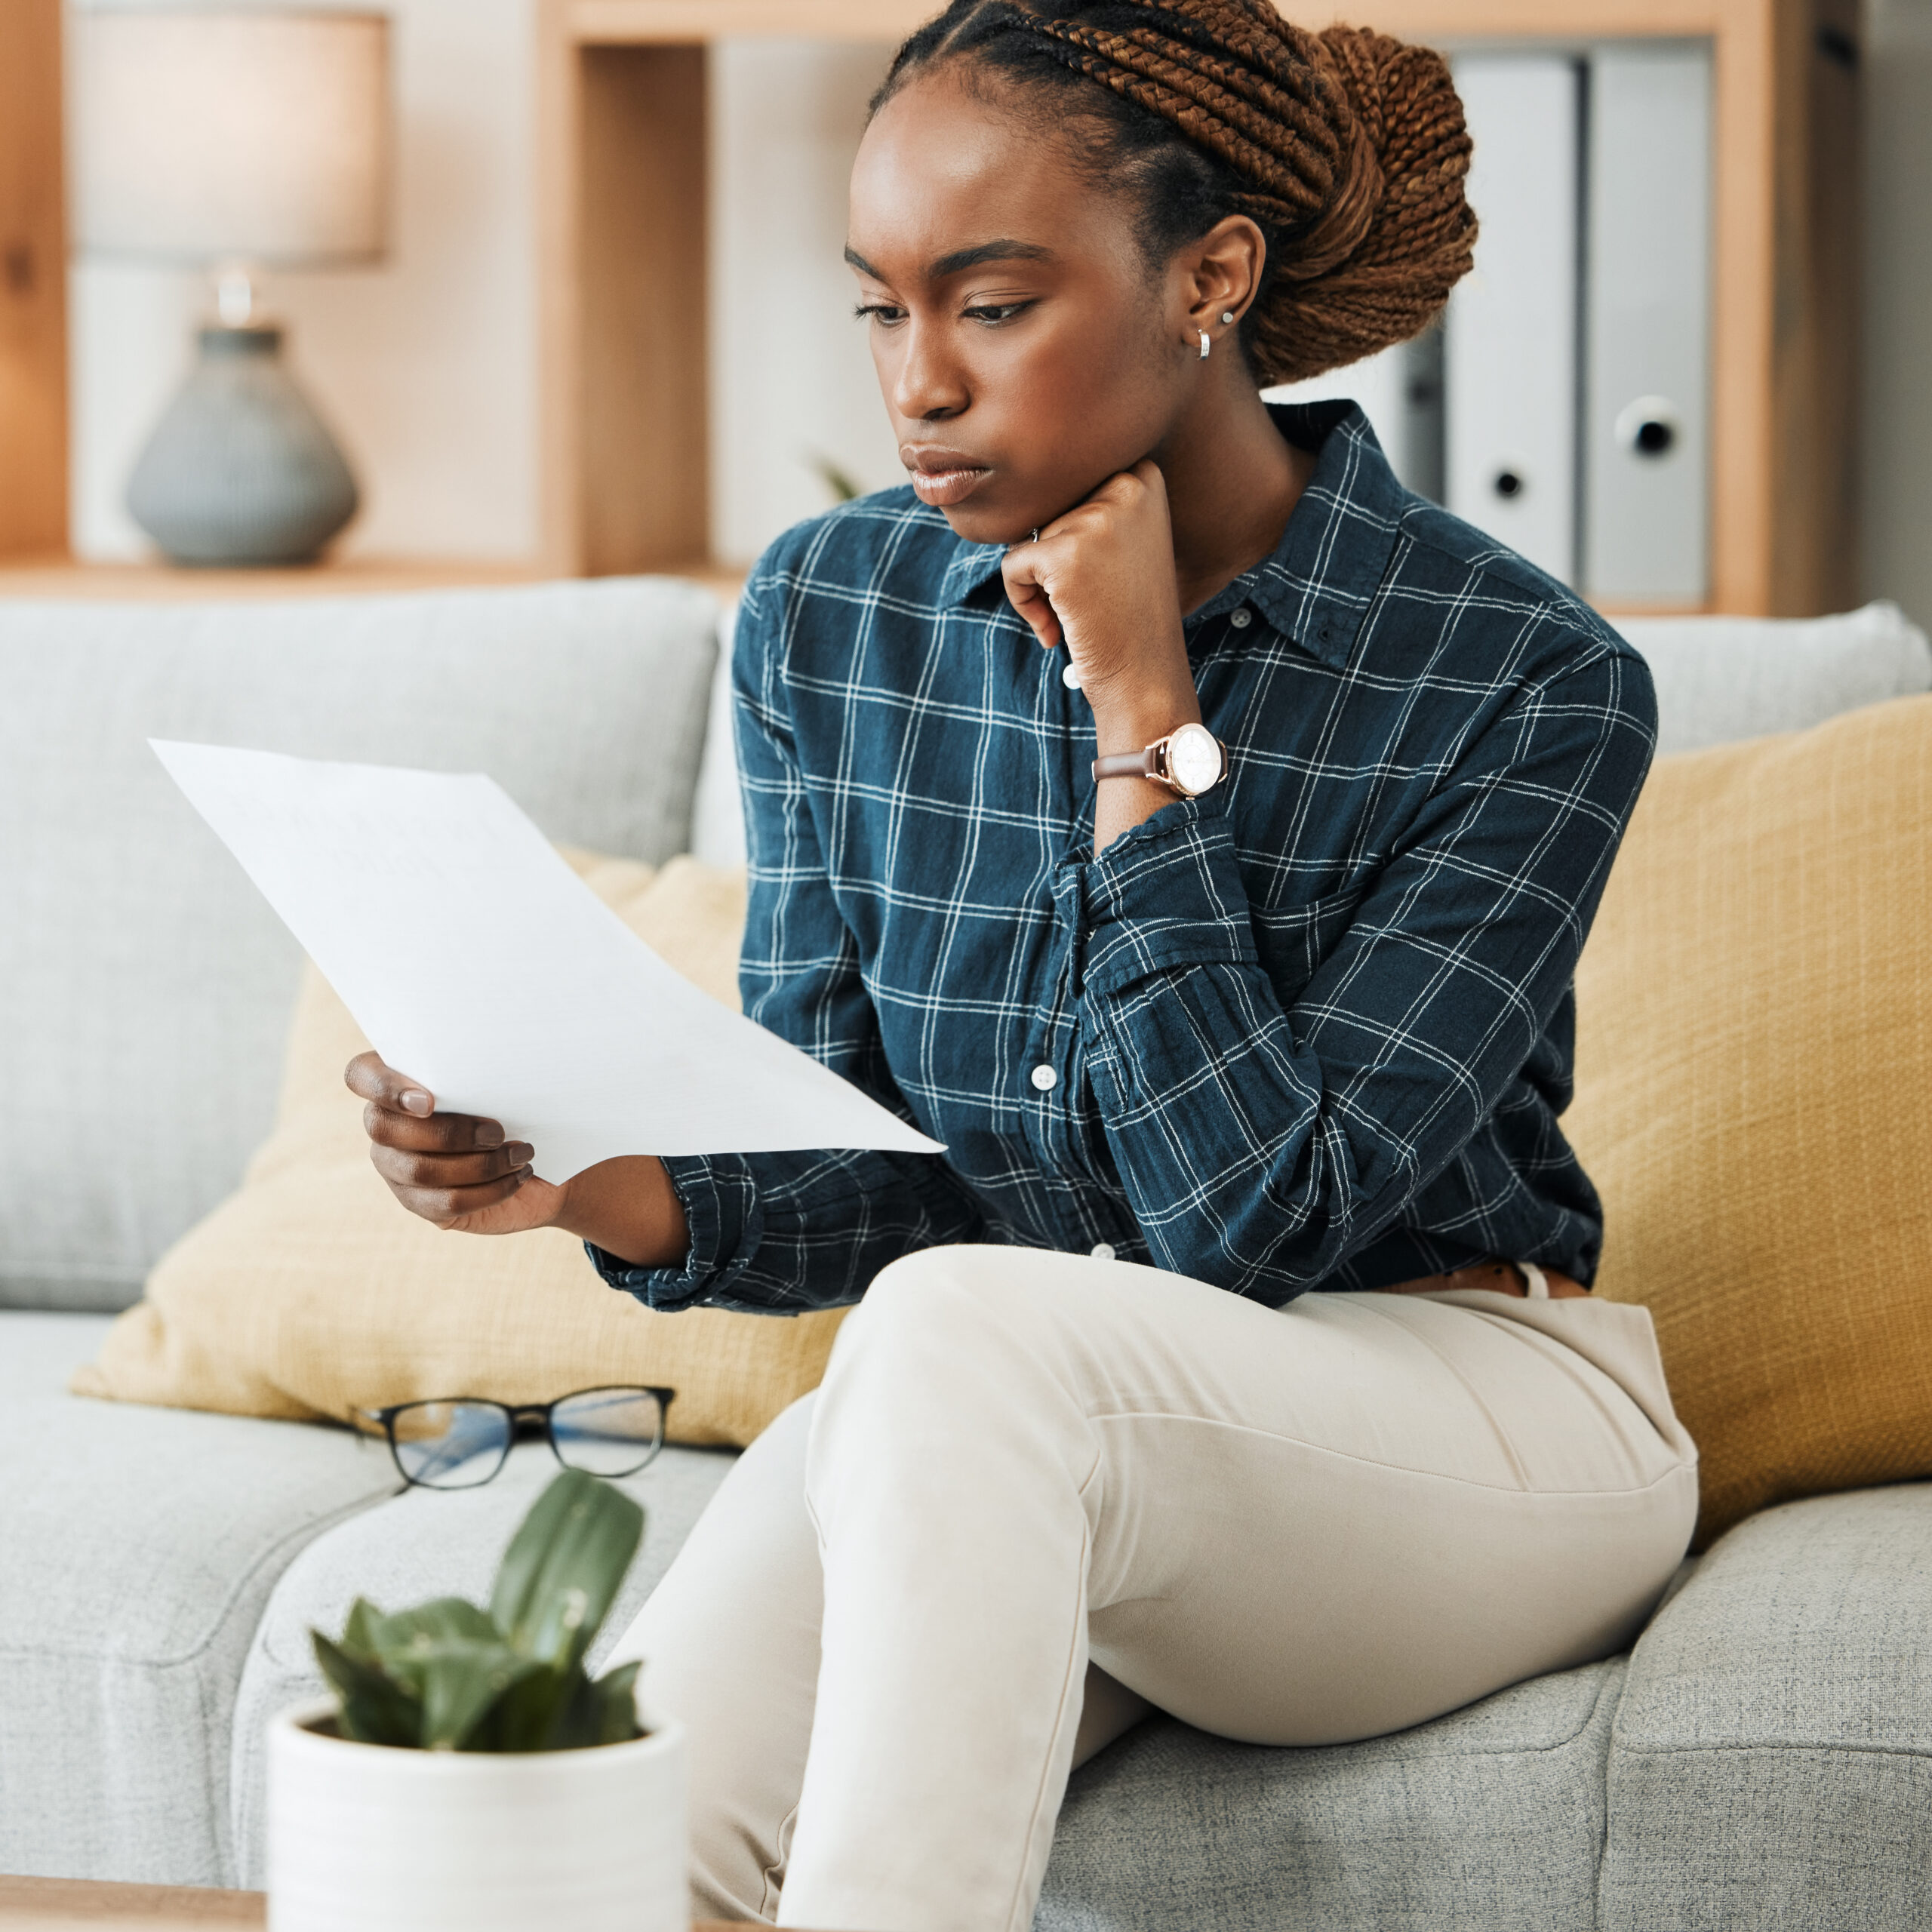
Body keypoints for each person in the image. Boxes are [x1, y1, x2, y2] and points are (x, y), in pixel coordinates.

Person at [348, 3, 1698, 1927]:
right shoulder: (832, 610)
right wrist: (587, 1179)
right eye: (879, 312)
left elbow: (1258, 1214)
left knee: (965, 1332)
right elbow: (867, 1153)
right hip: (1026, 1404)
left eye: (988, 304)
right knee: (612, 1834)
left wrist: (1139, 713)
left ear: (1206, 277)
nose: (920, 387)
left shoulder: (1520, 678)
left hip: (1462, 1409)